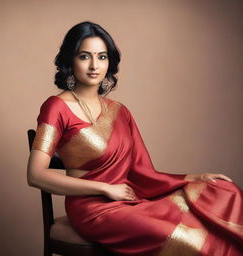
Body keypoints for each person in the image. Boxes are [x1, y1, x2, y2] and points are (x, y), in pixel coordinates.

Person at [27, 21, 243, 256]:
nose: (93, 66)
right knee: (185, 237)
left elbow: (143, 173)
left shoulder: (120, 111)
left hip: (129, 199)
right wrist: (105, 189)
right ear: (71, 60)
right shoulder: (56, 107)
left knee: (223, 190)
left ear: (109, 62)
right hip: (93, 209)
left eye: (101, 57)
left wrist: (197, 177)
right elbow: (35, 175)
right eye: (84, 56)